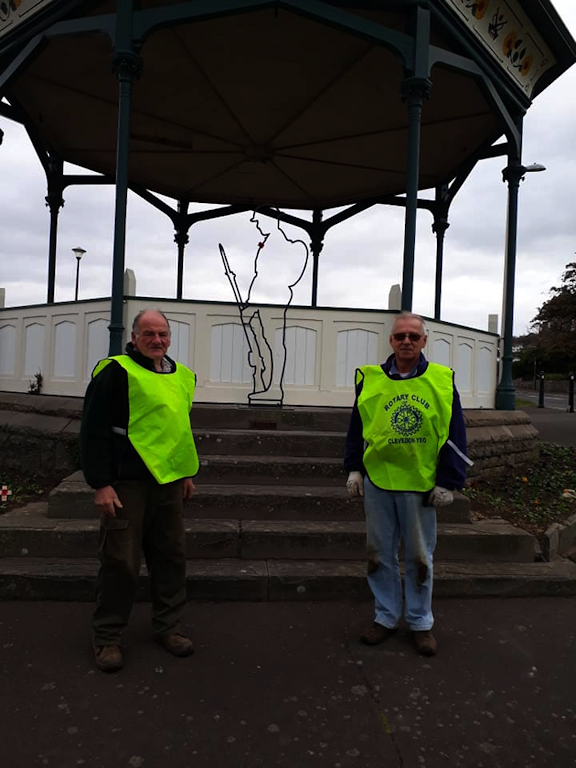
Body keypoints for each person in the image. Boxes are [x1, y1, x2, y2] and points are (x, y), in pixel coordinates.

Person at [80, 309, 199, 672]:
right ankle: (107, 637)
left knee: (171, 558)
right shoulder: (115, 372)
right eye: (148, 334)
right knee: (121, 564)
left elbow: (178, 430)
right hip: (125, 484)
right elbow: (93, 430)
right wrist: (100, 484)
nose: (157, 340)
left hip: (167, 484)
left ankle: (168, 628)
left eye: (162, 334)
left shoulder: (182, 376)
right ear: (133, 338)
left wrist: (185, 474)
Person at [344, 312, 468, 656]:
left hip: (420, 481)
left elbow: (455, 433)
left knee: (419, 556)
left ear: (424, 341)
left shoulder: (441, 381)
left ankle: (420, 622)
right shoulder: (369, 380)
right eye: (401, 336)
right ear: (391, 341)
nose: (407, 342)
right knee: (379, 555)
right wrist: (354, 468)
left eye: (414, 336)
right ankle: (385, 617)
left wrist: (449, 480)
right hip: (379, 481)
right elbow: (357, 428)